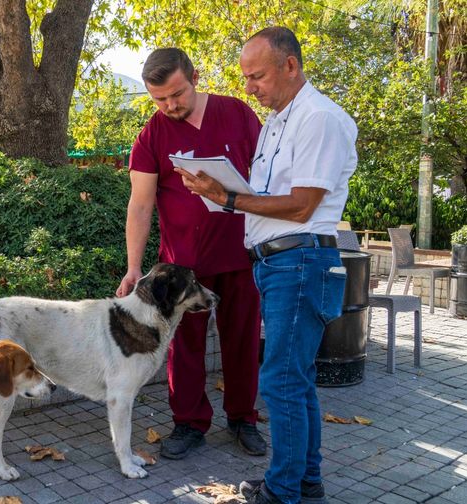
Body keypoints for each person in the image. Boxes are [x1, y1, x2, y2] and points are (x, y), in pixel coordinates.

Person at [179, 27, 358, 504]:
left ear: (291, 66)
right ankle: (303, 482)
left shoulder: (318, 118)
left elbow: (301, 206)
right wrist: (222, 194)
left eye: (256, 76)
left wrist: (229, 197)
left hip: (299, 261)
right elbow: (268, 199)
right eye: (245, 78)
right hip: (279, 263)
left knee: (278, 381)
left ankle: (282, 492)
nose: (249, 87)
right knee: (293, 381)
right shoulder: (279, 122)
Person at [116, 48, 266, 461]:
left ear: (194, 76)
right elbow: (140, 205)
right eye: (160, 99)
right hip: (182, 269)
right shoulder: (152, 135)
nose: (170, 106)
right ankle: (188, 423)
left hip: (241, 254)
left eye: (176, 94)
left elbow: (269, 175)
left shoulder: (237, 114)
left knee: (243, 340)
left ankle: (243, 419)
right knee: (183, 347)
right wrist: (133, 267)